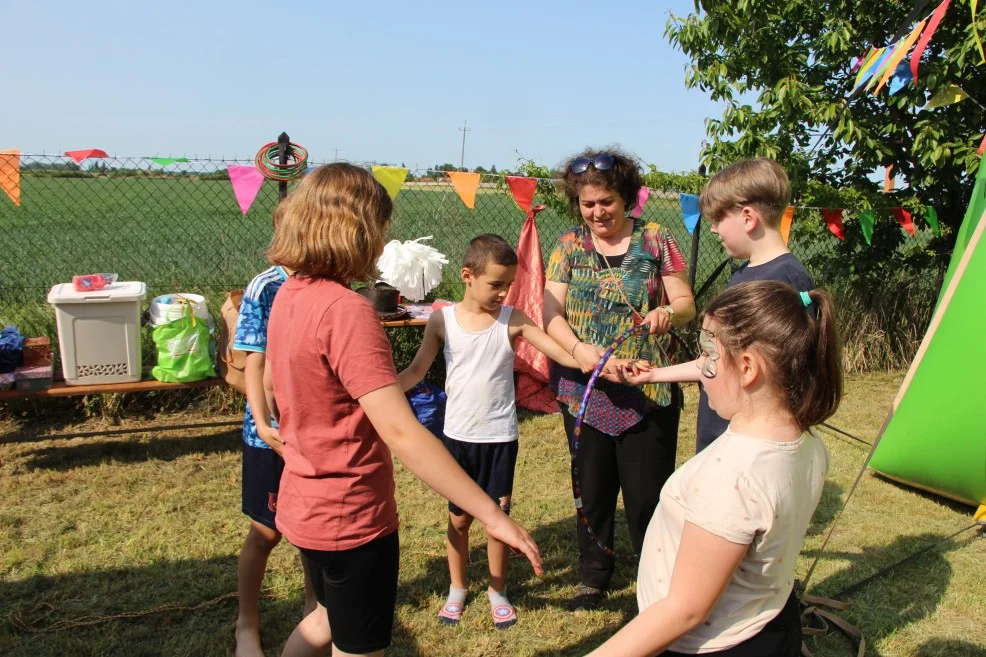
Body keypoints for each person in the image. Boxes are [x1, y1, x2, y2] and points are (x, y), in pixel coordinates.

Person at [262, 164, 542, 657]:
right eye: (380, 228)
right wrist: (491, 515)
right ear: (358, 230)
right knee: (358, 645)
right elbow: (402, 432)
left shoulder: (288, 294)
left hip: (304, 506)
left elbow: (276, 386)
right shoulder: (347, 310)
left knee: (324, 619)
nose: (382, 241)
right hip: (351, 517)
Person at [589, 281, 842, 657]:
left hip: (713, 644)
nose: (701, 369)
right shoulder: (807, 444)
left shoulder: (732, 478)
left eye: (708, 355)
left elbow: (684, 611)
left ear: (747, 368)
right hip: (770, 621)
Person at [399, 234, 594, 630]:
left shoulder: (513, 319)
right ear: (467, 276)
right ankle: (457, 587)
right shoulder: (442, 320)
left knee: (498, 520)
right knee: (457, 520)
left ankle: (497, 589)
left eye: (508, 285)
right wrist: (378, 393)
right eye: (495, 284)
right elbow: (418, 370)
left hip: (500, 438)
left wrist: (588, 357)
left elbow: (559, 352)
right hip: (456, 438)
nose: (503, 293)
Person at [543, 148, 696, 611]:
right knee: (591, 491)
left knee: (648, 496)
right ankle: (594, 577)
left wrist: (667, 313)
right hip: (585, 390)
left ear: (626, 196)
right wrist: (580, 353)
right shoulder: (569, 245)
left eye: (606, 202)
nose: (597, 213)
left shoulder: (656, 240)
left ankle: (655, 580)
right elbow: (549, 314)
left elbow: (686, 303)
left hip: (647, 387)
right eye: (588, 204)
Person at [232, 210, 316, 657]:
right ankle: (247, 624)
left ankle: (312, 607)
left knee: (310, 531)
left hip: (312, 430)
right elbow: (253, 362)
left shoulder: (323, 283)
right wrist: (265, 423)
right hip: (270, 434)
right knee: (266, 532)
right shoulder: (265, 286)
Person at [693, 158, 815, 453]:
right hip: (721, 430)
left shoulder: (786, 280)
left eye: (718, 219)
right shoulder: (744, 272)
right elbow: (718, 357)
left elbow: (791, 376)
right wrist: (653, 375)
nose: (712, 229)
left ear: (748, 217)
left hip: (751, 444)